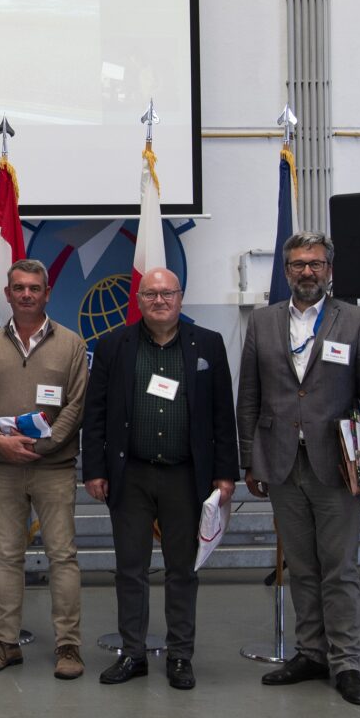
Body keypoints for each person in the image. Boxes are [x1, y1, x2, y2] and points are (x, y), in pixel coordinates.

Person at [238, 232, 360, 706]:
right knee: (301, 567)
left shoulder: (358, 321)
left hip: (338, 462)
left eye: (316, 264)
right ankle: (311, 653)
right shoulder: (262, 322)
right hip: (281, 462)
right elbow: (248, 396)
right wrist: (249, 458)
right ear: (286, 271)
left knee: (339, 569)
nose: (307, 272)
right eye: (298, 264)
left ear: (329, 270)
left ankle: (346, 662)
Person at [81, 266, 237, 691]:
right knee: (130, 569)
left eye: (167, 294)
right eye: (150, 294)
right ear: (138, 301)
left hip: (187, 477)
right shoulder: (114, 345)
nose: (159, 301)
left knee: (182, 570)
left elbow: (224, 412)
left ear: (180, 298)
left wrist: (226, 472)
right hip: (129, 475)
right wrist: (93, 469)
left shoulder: (207, 344)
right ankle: (133, 652)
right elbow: (95, 413)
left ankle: (181, 655)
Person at [0, 259, 90, 680]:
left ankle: (68, 647)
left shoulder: (71, 344)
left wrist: (44, 444)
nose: (26, 294)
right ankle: (5, 644)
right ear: (8, 294)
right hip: (2, 467)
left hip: (54, 467)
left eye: (34, 288)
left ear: (47, 292)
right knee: (7, 558)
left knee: (63, 557)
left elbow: (76, 404)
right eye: (18, 288)